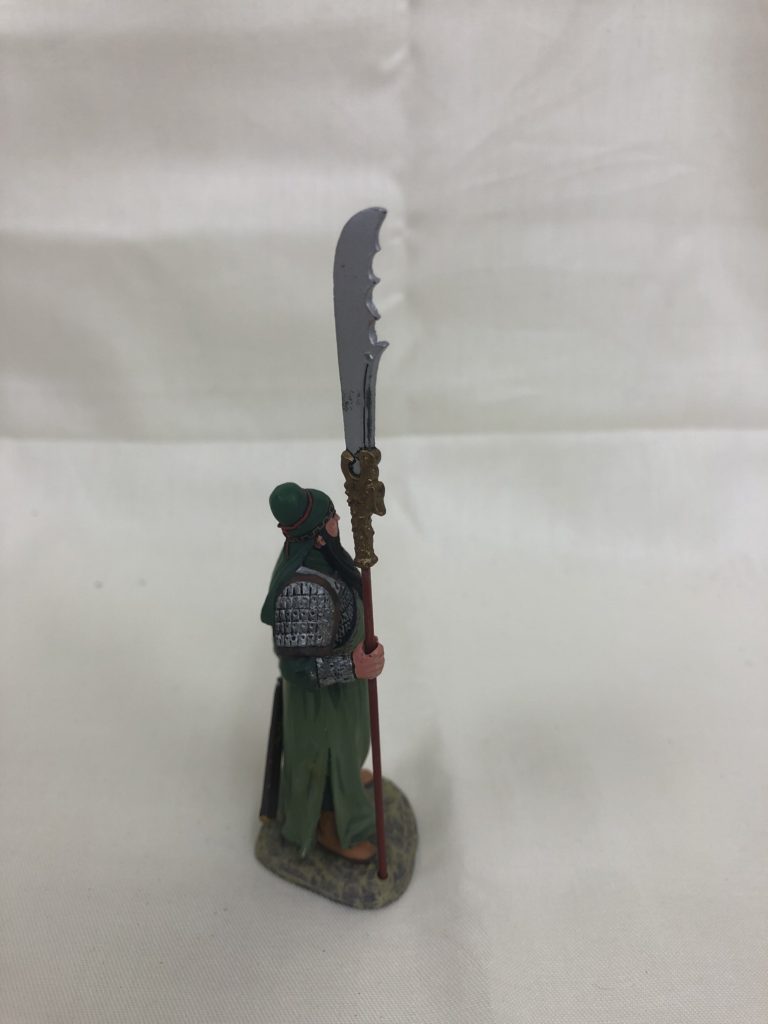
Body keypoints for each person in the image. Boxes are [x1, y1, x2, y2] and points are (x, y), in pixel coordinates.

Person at [260, 482, 385, 862]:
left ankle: (347, 781)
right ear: (316, 535)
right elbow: (297, 668)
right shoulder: (303, 588)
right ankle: (335, 823)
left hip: (346, 691)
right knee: (329, 757)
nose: (337, 521)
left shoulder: (324, 558)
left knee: (352, 746)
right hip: (321, 705)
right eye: (331, 518)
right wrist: (352, 666)